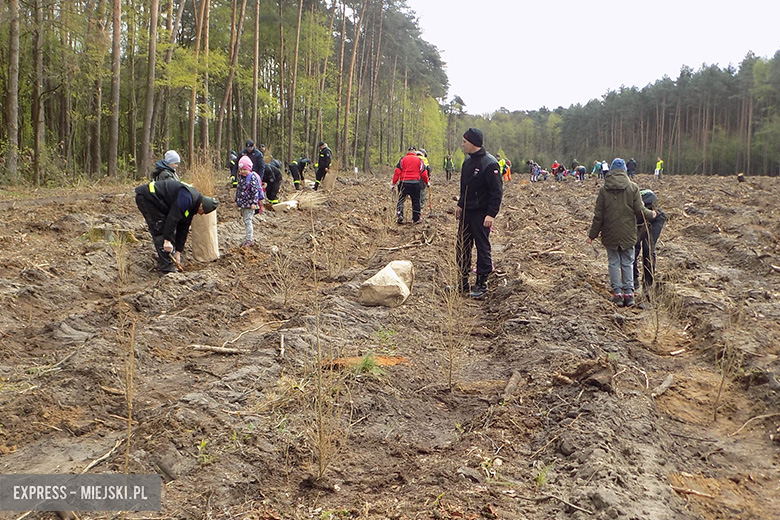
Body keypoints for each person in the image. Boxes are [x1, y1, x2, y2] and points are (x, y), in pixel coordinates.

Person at [586, 158, 656, 307]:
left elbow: (598, 216)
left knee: (613, 262)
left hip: (609, 232)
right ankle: (629, 295)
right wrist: (652, 214)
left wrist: (592, 235)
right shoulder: (633, 188)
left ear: (611, 170)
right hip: (628, 233)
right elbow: (640, 211)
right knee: (627, 262)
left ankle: (617, 294)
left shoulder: (604, 190)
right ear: (625, 170)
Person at [456, 128, 503, 299]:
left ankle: (482, 283)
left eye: (465, 142)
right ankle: (462, 282)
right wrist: (460, 204)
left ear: (473, 143)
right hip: (466, 212)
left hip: (482, 214)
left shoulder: (490, 164)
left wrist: (491, 214)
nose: (462, 145)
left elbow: (497, 192)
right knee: (462, 246)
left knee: (482, 247)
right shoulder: (467, 162)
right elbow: (465, 187)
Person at [135, 179, 219, 274]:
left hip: (160, 202)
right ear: (201, 206)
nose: (201, 214)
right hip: (148, 197)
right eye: (203, 212)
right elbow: (173, 218)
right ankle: (167, 270)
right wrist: (167, 241)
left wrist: (178, 251)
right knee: (160, 229)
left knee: (169, 230)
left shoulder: (192, 206)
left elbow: (183, 228)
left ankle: (168, 260)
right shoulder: (187, 198)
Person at [634, 189, 667, 293]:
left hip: (656, 217)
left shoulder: (655, 210)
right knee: (633, 247)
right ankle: (633, 279)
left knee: (648, 248)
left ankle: (648, 284)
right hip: (638, 218)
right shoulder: (628, 205)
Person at [392, 146, 428, 224]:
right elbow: (424, 173)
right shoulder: (419, 160)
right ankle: (416, 218)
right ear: (415, 152)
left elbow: (397, 171)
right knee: (416, 201)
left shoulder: (402, 159)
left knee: (401, 200)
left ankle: (400, 214)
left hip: (403, 183)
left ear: (408, 152)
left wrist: (393, 183)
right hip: (415, 183)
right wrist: (427, 182)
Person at [235, 156, 262, 247]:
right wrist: (237, 201)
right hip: (243, 204)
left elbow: (255, 191)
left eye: (244, 169)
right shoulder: (240, 177)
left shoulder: (251, 177)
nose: (242, 171)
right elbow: (239, 191)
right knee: (245, 220)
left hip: (249, 204)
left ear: (249, 168)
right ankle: (248, 238)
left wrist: (254, 202)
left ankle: (249, 239)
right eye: (241, 169)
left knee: (248, 221)